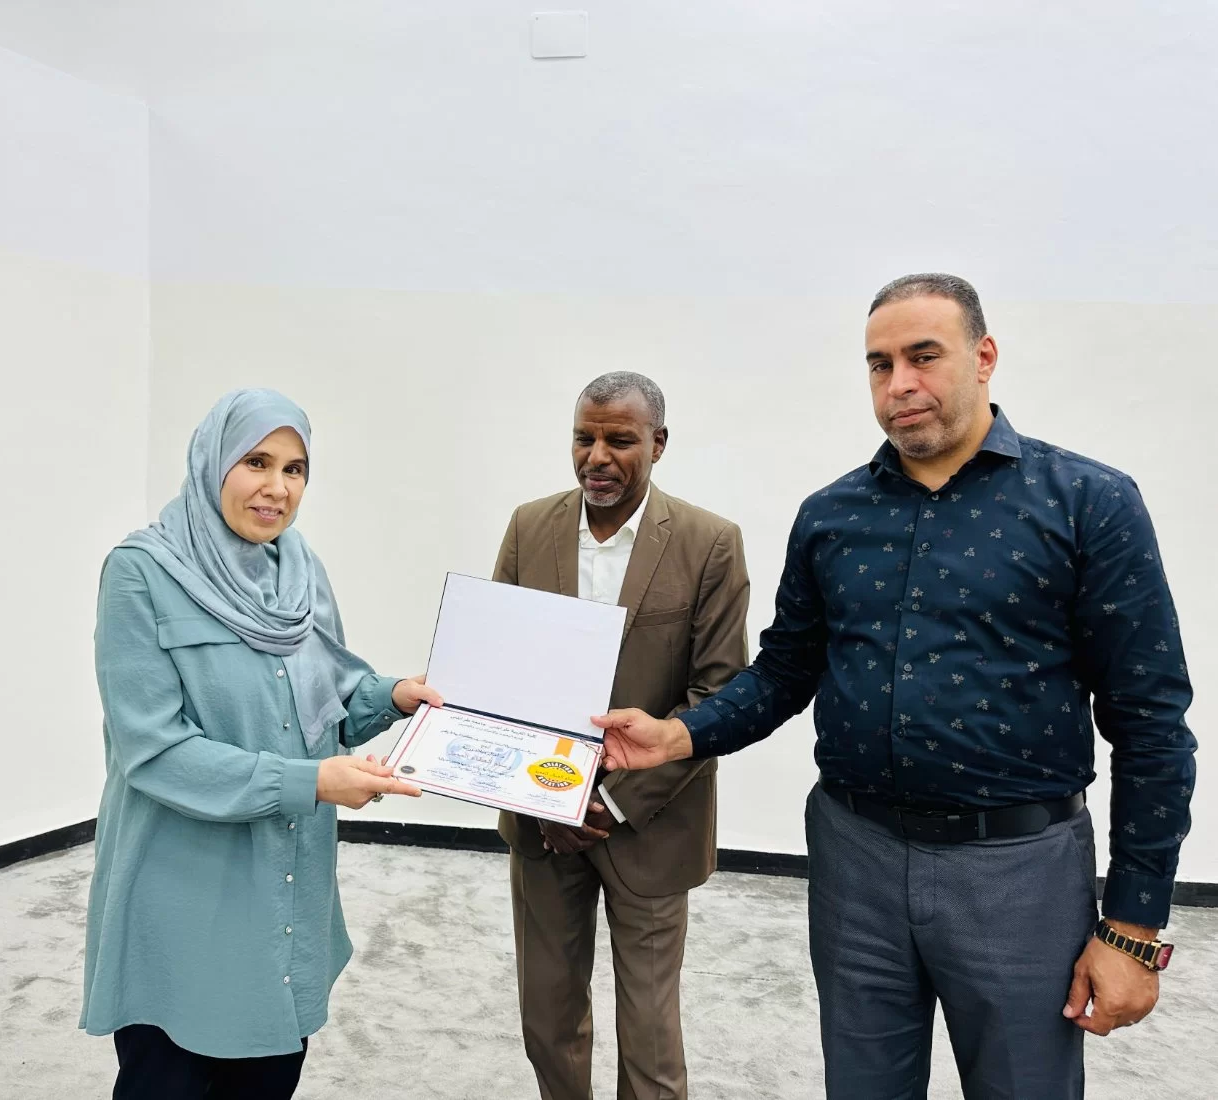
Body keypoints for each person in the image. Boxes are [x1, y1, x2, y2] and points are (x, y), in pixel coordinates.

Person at [592, 275, 1197, 1100]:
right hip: (855, 860)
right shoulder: (831, 515)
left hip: (1019, 871)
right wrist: (679, 733)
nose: (898, 384)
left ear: (983, 358)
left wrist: (1130, 928)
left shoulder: (1089, 502)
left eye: (922, 357)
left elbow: (1150, 721)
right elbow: (784, 670)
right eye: (879, 365)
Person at [79, 388, 441, 1100]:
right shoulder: (140, 572)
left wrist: (396, 695)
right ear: (212, 462)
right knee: (170, 1079)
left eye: (294, 469)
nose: (277, 487)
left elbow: (326, 704)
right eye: (256, 462)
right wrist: (311, 783)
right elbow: (154, 751)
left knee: (270, 1078)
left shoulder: (298, 571)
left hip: (287, 878)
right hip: (185, 890)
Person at [493, 371, 751, 1100]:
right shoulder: (528, 527)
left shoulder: (709, 543)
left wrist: (612, 801)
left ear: (658, 444)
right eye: (584, 438)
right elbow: (496, 672)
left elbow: (718, 694)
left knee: (650, 1038)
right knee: (546, 1018)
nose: (597, 457)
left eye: (619, 440)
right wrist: (548, 798)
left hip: (651, 823)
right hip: (541, 821)